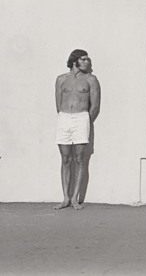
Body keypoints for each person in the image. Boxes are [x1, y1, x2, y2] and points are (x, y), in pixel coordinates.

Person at [55, 49, 100, 210]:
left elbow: (95, 106)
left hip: (81, 118)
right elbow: (58, 103)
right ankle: (65, 197)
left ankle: (75, 198)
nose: (88, 62)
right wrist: (65, 116)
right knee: (65, 158)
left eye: (88, 60)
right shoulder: (61, 79)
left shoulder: (91, 80)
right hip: (64, 118)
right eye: (84, 59)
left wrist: (85, 120)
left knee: (80, 158)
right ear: (75, 61)